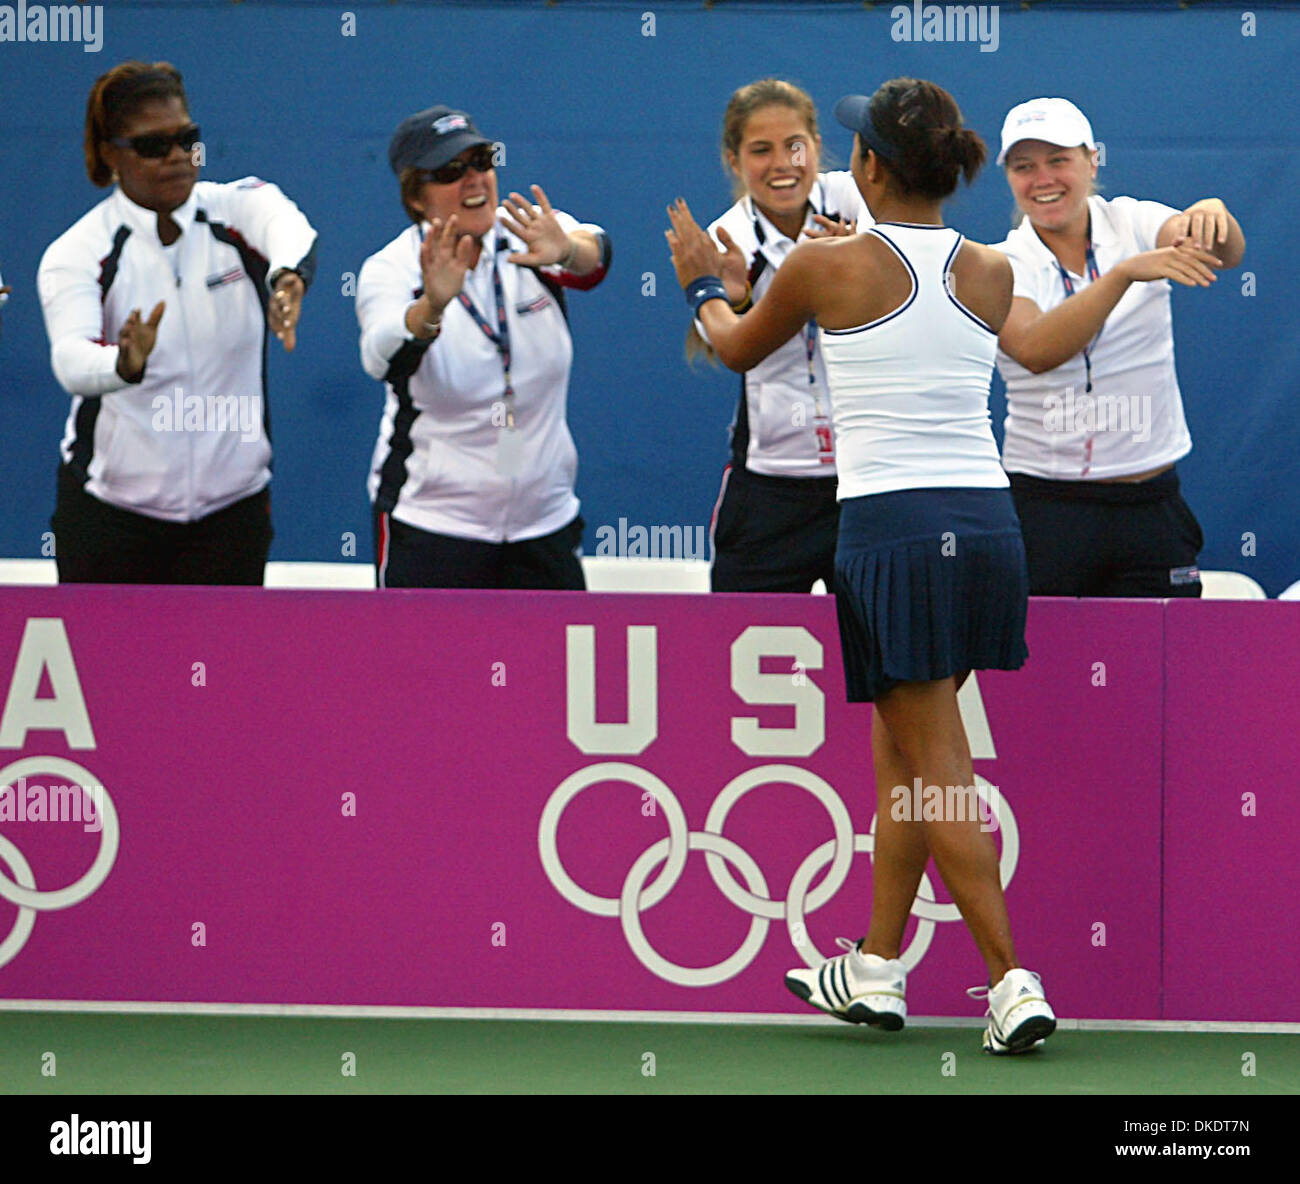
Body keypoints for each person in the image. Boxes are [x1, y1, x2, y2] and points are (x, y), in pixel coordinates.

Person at [667, 77, 1056, 1054]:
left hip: (892, 535)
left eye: (850, 148)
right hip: (988, 530)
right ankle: (877, 967)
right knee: (905, 756)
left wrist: (700, 285)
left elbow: (733, 349)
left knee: (939, 768)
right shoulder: (993, 269)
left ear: (872, 167)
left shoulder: (822, 268)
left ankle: (1010, 979)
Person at [37, 60, 317, 584]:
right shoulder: (79, 252)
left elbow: (287, 227)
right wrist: (124, 362)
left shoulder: (234, 212)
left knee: (226, 665)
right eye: (151, 145)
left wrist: (287, 279)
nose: (176, 158)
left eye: (187, 139)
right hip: (112, 517)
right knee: (113, 668)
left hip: (232, 516)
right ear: (108, 154)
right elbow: (72, 360)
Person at [993, 97, 1244, 597]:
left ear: (1091, 161)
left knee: (1163, 667)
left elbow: (1223, 251)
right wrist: (1125, 274)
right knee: (1044, 669)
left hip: (1150, 506)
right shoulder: (999, 263)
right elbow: (1035, 350)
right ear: (1009, 178)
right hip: (1045, 506)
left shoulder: (1134, 221)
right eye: (1025, 167)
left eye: (1059, 160)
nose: (1043, 179)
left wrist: (1211, 216)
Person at [358, 106, 611, 589]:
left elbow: (594, 253)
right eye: (451, 171)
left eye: (482, 160)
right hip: (434, 525)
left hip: (544, 522)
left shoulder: (527, 233)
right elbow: (379, 356)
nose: (474, 179)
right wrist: (431, 306)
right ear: (416, 197)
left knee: (551, 664)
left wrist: (568, 250)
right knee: (430, 666)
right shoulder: (391, 269)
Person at [691, 79, 869, 593]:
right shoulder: (723, 241)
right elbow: (734, 350)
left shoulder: (858, 202)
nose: (781, 164)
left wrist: (866, 262)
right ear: (733, 159)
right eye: (760, 150)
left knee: (881, 658)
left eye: (794, 145)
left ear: (816, 144)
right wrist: (736, 296)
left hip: (863, 479)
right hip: (770, 488)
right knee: (743, 651)